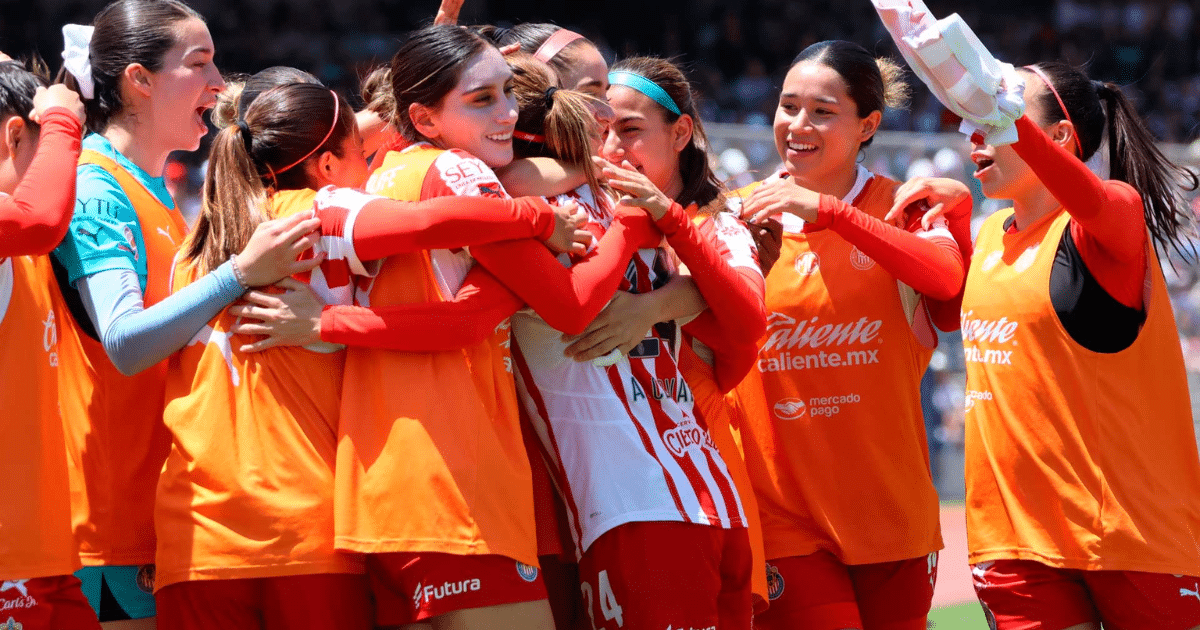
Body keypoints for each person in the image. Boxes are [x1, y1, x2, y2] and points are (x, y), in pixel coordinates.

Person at [899, 27, 1200, 627]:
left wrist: (1012, 120)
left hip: (1131, 534)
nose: (977, 131)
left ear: (1058, 135)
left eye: (998, 114)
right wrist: (952, 221)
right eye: (977, 115)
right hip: (1012, 539)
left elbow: (1094, 204)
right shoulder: (988, 239)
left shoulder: (1112, 217)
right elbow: (942, 308)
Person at [51, 2, 322, 624]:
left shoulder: (152, 188)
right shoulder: (96, 189)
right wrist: (238, 275)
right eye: (198, 64)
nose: (220, 82)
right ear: (137, 81)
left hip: (157, 512)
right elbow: (124, 341)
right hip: (106, 522)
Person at [731, 40, 974, 630]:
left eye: (822, 110)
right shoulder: (738, 216)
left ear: (868, 125)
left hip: (893, 513)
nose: (798, 125)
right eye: (788, 106)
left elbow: (947, 280)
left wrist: (830, 212)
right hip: (785, 517)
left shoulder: (907, 209)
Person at [0, 56, 99, 630]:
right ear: (16, 135)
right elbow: (39, 219)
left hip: (40, 554)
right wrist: (63, 120)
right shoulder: (28, 228)